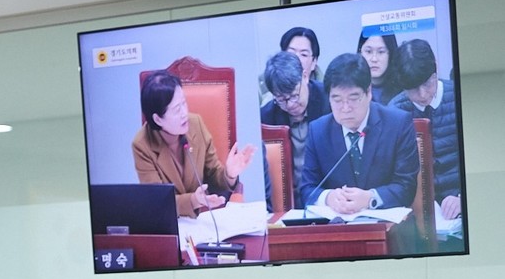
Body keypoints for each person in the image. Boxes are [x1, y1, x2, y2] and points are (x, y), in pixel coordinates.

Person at [299, 52, 420, 215]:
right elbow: (307, 189)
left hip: (388, 226)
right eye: (337, 100)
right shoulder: (318, 131)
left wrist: (370, 198)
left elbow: (406, 186)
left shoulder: (398, 124)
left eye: (353, 98)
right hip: (339, 225)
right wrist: (328, 198)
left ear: (368, 92)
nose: (345, 108)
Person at [132, 70, 255, 218]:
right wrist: (193, 200)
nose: (184, 113)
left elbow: (213, 177)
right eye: (177, 109)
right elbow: (157, 201)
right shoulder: (142, 145)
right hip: (170, 222)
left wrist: (229, 174)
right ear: (158, 119)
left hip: (202, 219)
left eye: (184, 103)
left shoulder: (195, 124)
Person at [389, 38, 463, 221]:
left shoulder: (460, 97)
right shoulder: (395, 112)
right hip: (416, 211)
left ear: (436, 67)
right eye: (413, 89)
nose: (422, 94)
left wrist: (463, 197)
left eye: (427, 83)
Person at [260, 51, 330, 193]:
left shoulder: (329, 102)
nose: (290, 105)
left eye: (294, 96)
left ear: (305, 76)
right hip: (288, 198)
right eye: (281, 99)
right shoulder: (267, 118)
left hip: (325, 195)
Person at [356, 31, 400, 104]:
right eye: (369, 51)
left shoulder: (404, 90)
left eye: (381, 52)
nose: (374, 59)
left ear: (391, 54)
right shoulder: (350, 87)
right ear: (360, 52)